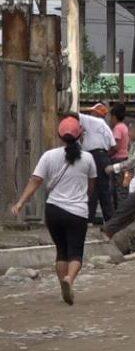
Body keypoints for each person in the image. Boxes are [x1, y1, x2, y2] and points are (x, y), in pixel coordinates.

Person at [7, 117, 97, 305]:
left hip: (54, 210)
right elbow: (91, 186)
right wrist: (82, 198)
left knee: (61, 251)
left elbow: (35, 181)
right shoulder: (88, 158)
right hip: (77, 212)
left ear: (59, 135)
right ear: (80, 135)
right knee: (76, 252)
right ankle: (69, 280)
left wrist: (20, 203)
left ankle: (62, 284)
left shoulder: (48, 156)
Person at [79, 103, 117, 225]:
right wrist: (104, 156)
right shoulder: (105, 127)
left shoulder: (93, 121)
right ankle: (109, 218)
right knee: (103, 188)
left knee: (92, 187)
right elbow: (114, 147)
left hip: (94, 156)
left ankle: (89, 218)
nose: (90, 114)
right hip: (103, 157)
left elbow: (75, 114)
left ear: (97, 114)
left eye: (92, 111)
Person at [109, 103, 130, 206]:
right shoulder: (125, 127)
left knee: (118, 186)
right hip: (125, 158)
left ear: (114, 117)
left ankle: (120, 210)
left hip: (117, 160)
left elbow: (116, 146)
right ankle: (124, 209)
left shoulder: (117, 128)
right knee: (123, 186)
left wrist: (108, 154)